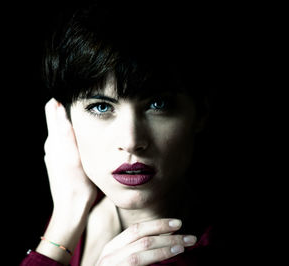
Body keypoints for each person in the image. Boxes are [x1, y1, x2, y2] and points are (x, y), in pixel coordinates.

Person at [22, 1, 226, 265]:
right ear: (63, 117)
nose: (131, 141)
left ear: (201, 112)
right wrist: (67, 216)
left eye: (158, 104)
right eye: (101, 106)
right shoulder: (85, 211)